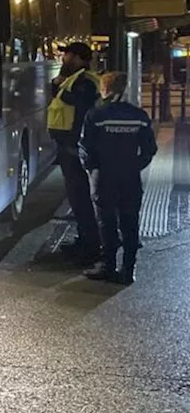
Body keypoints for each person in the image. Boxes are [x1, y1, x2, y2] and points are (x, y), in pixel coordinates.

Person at [79, 72, 157, 284]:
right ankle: (128, 270)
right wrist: (134, 166)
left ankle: (108, 266)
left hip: (104, 176)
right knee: (130, 221)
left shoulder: (96, 115)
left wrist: (92, 169)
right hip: (130, 177)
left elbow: (85, 146)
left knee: (107, 222)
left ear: (106, 89)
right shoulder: (139, 116)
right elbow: (150, 148)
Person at [49, 42, 103, 263]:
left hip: (75, 147)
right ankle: (85, 240)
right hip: (69, 145)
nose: (64, 59)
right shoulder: (75, 78)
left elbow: (82, 110)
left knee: (81, 198)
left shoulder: (86, 81)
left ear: (79, 58)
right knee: (77, 198)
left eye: (68, 55)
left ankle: (90, 248)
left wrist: (75, 145)